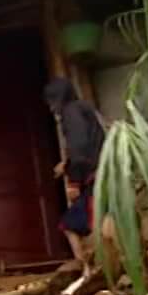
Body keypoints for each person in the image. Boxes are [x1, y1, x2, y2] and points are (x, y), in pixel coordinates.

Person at [44, 77, 108, 271]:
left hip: (93, 178)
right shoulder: (83, 108)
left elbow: (79, 149)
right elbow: (88, 145)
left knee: (71, 224)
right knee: (96, 223)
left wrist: (74, 182)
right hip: (102, 173)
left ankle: (86, 269)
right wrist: (67, 164)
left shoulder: (70, 113)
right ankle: (92, 267)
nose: (50, 107)